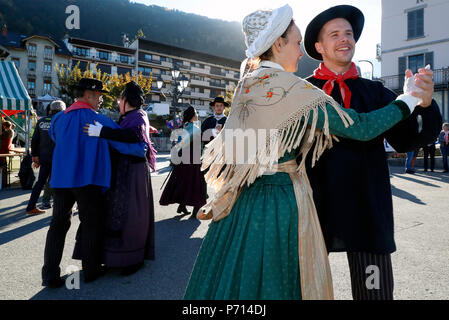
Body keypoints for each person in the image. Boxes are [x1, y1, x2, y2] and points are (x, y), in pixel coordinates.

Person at [183, 4, 425, 300]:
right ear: (278, 43)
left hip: (245, 203)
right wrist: (408, 99)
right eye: (297, 43)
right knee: (284, 282)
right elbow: (360, 127)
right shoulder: (292, 90)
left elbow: (237, 152)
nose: (301, 52)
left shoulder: (248, 84)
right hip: (281, 200)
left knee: (242, 280)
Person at [303, 5, 442, 299]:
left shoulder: (376, 92)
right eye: (335, 34)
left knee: (373, 294)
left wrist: (426, 104)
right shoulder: (301, 92)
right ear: (319, 46)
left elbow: (408, 141)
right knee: (304, 292)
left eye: (349, 33)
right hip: (312, 211)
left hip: (367, 213)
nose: (344, 39)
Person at [41, 78, 148, 288]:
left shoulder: (58, 119)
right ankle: (91, 270)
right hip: (88, 180)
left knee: (57, 225)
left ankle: (50, 274)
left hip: (61, 179)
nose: (101, 100)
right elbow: (129, 147)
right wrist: (143, 151)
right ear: (89, 94)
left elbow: (55, 138)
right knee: (92, 223)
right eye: (99, 96)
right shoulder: (99, 120)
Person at [83, 81, 156, 275]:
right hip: (125, 171)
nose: (117, 102)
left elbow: (132, 136)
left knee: (132, 216)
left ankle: (133, 259)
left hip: (133, 172)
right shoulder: (129, 116)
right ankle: (117, 257)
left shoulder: (138, 116)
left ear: (125, 100)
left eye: (120, 98)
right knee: (120, 214)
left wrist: (103, 132)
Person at [160, 106, 207, 217]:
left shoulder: (184, 127)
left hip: (183, 157)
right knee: (196, 182)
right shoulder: (195, 128)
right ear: (192, 116)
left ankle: (182, 205)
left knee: (183, 181)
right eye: (196, 113)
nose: (197, 115)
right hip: (193, 158)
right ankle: (195, 208)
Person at [25, 101, 66, 215]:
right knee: (60, 183)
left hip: (44, 157)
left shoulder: (41, 121)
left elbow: (35, 140)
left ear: (50, 109)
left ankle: (30, 207)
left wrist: (35, 155)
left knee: (40, 183)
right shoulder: (62, 121)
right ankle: (61, 210)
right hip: (59, 158)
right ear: (62, 110)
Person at [0, 120, 15, 186]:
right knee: (3, 164)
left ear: (5, 126)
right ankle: (3, 182)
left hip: (4, 148)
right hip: (5, 148)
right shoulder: (10, 131)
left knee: (3, 165)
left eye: (3, 126)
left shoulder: (8, 132)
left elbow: (1, 137)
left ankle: (3, 182)